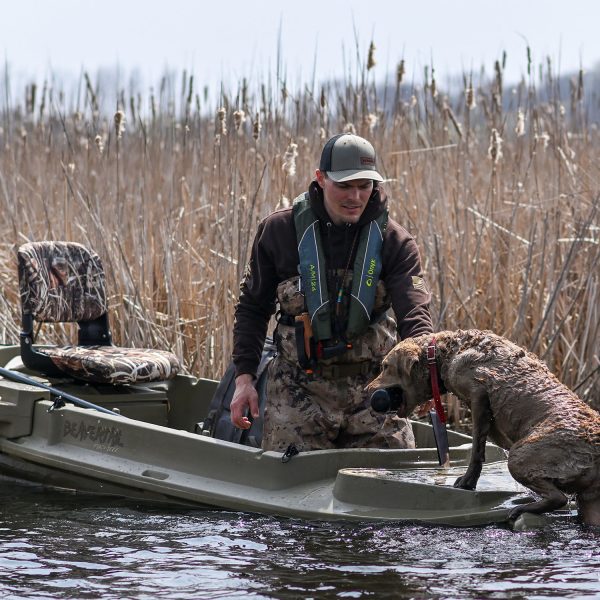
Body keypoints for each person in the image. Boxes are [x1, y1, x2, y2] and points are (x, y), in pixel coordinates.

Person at [230, 133, 433, 452]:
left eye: (364, 186)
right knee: (288, 491)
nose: (355, 196)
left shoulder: (397, 243)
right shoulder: (278, 232)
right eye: (344, 185)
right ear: (320, 179)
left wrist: (425, 376)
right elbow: (253, 309)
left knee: (393, 488)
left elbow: (415, 316)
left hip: (375, 391)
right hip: (298, 390)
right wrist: (244, 379)